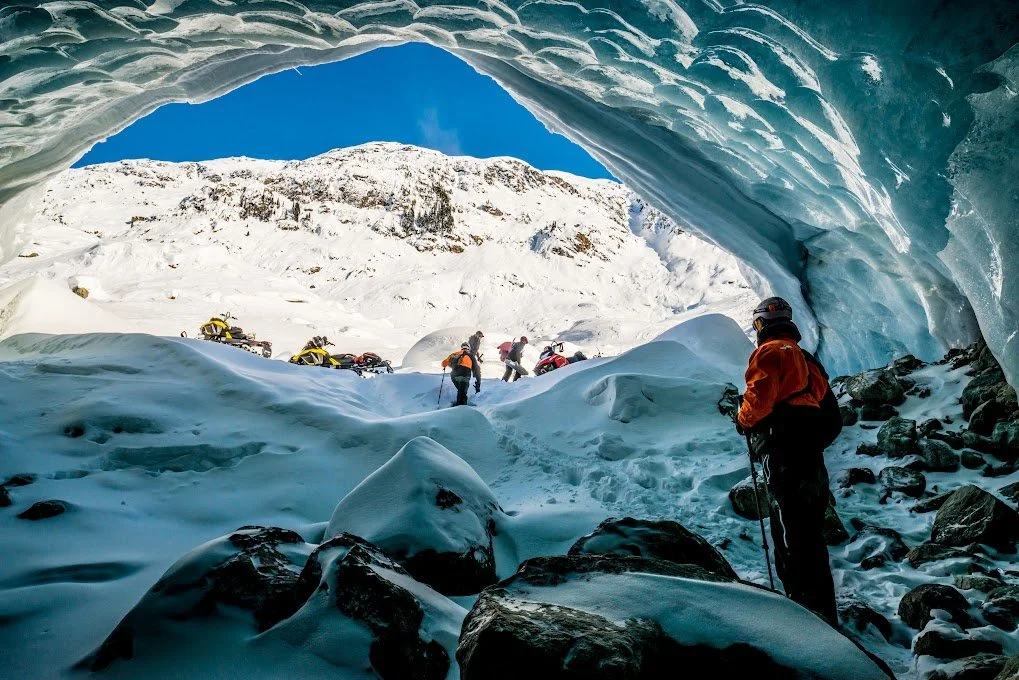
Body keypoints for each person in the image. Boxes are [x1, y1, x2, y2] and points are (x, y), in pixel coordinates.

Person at [736, 296, 839, 626]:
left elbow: (759, 400)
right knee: (810, 531)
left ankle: (801, 613)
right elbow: (831, 415)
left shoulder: (768, 352)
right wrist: (812, 441)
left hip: (783, 450)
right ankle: (824, 611)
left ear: (760, 324)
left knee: (788, 529)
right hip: (810, 453)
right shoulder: (807, 360)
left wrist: (744, 421)